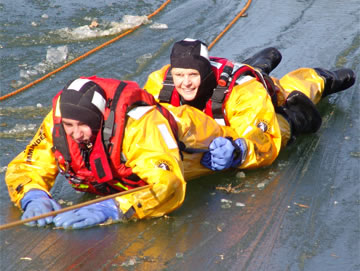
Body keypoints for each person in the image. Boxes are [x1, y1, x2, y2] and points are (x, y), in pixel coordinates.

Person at [5, 76, 244, 229]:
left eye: (83, 126)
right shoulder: (60, 122)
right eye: (70, 126)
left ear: (99, 118)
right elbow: (27, 165)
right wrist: (32, 194)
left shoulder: (140, 125)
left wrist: (115, 208)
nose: (75, 134)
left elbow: (167, 183)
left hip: (194, 135)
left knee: (254, 140)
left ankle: (274, 94)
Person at [143, 38, 356, 170]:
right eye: (179, 74)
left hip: (257, 102)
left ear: (206, 74)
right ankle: (257, 67)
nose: (185, 82)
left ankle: (314, 84)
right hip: (214, 121)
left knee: (281, 113)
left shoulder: (243, 91)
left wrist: (239, 151)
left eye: (192, 74)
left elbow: (263, 138)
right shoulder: (161, 82)